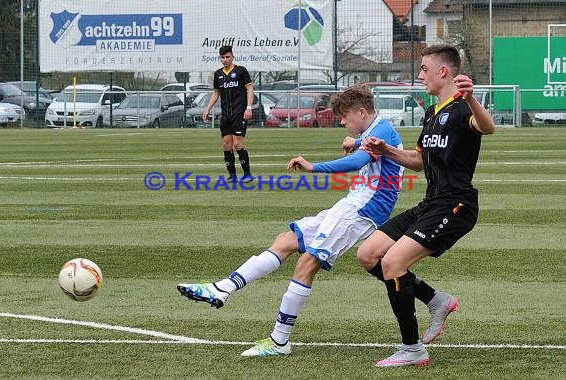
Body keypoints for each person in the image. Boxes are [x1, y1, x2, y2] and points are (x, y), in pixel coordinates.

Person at [178, 85, 449, 357]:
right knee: (286, 241)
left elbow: (358, 162)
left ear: (362, 112)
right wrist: (353, 141)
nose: (342, 122)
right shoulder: (372, 132)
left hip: (362, 211)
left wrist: (314, 167)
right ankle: (223, 288)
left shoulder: (383, 129)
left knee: (307, 261)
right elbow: (367, 147)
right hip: (350, 205)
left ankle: (279, 340)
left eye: (344, 116)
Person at [357, 44, 496, 368]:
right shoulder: (432, 113)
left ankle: (412, 348)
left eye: (423, 69)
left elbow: (488, 128)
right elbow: (419, 161)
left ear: (443, 71)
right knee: (368, 254)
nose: (420, 75)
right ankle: (436, 300)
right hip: (431, 202)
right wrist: (386, 149)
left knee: (392, 264)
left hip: (456, 204)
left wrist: (472, 98)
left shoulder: (463, 108)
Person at [203, 45, 254, 183]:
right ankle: (232, 175)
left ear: (232, 57)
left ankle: (247, 174)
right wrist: (207, 109)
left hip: (239, 113)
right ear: (220, 58)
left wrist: (248, 107)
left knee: (237, 144)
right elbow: (216, 92)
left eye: (228, 57)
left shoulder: (241, 71)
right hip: (226, 115)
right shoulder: (218, 74)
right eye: (223, 57)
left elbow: (249, 89)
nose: (225, 60)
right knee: (226, 145)